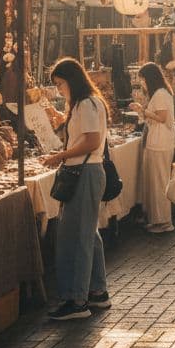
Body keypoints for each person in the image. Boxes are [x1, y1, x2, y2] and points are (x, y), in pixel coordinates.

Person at [42, 57, 110, 320]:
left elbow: (92, 141)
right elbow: (84, 136)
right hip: (85, 170)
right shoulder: (84, 103)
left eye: (60, 84)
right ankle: (97, 291)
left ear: (71, 80)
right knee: (88, 234)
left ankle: (77, 300)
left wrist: (60, 156)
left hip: (85, 172)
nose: (59, 90)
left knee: (77, 237)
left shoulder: (87, 104)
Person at [134, 62, 175, 233]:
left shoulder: (160, 93)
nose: (142, 83)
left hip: (160, 143)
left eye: (142, 79)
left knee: (159, 182)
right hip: (158, 142)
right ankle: (156, 218)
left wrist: (142, 110)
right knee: (156, 181)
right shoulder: (162, 92)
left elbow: (162, 117)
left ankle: (164, 221)